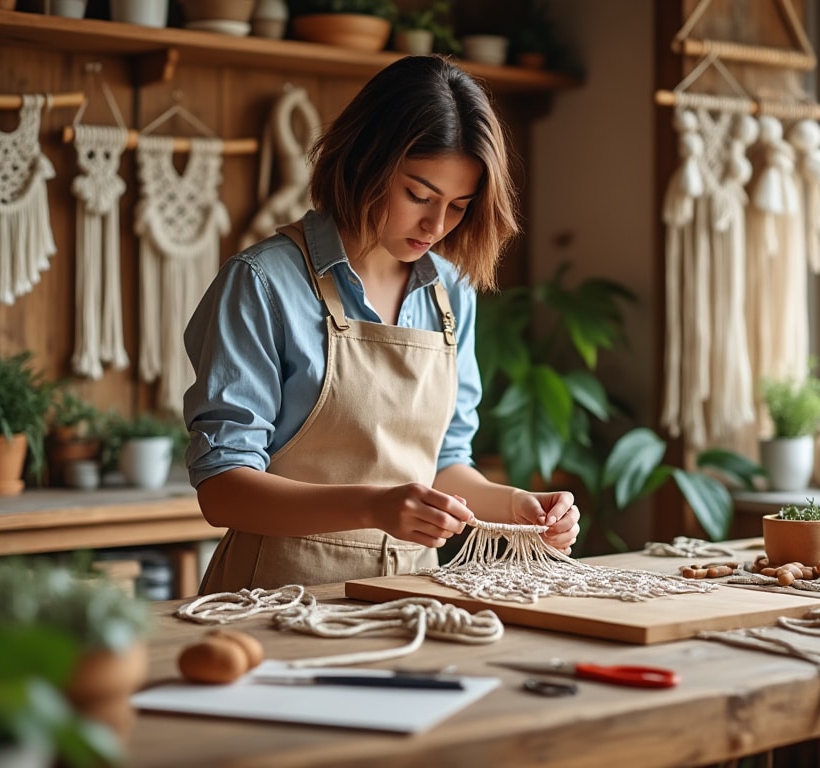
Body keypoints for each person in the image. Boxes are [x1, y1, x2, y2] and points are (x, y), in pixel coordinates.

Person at [183, 56, 581, 593]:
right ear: (363, 161)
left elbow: (445, 465)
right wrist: (374, 507)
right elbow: (222, 490)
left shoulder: (450, 292)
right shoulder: (263, 283)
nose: (435, 225)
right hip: (273, 600)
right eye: (419, 195)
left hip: (411, 598)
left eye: (458, 206)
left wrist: (517, 507)